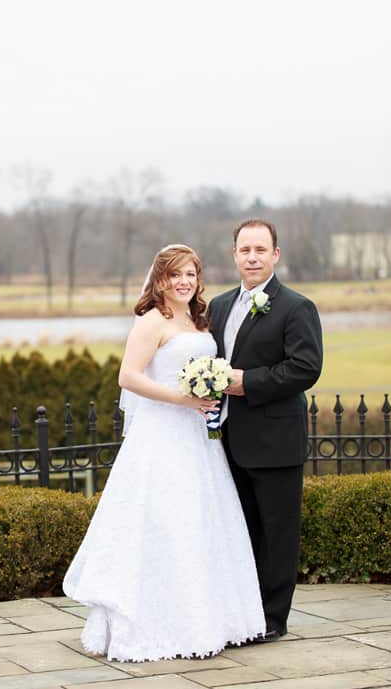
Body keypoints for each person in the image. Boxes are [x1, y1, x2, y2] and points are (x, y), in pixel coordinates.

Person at [64, 244, 266, 661]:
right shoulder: (151, 321)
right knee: (164, 520)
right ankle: (152, 624)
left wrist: (210, 388)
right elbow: (128, 377)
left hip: (197, 437)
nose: (185, 281)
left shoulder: (198, 318)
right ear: (160, 279)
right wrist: (181, 399)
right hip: (162, 435)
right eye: (177, 274)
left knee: (198, 521)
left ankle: (203, 621)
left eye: (191, 273)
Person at [209, 220, 323, 642]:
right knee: (240, 532)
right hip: (227, 442)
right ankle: (242, 612)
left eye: (260, 249)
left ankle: (273, 619)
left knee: (277, 535)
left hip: (276, 443)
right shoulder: (218, 307)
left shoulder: (296, 307)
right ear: (234, 255)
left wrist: (246, 382)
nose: (252, 257)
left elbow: (305, 368)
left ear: (276, 254)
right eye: (244, 250)